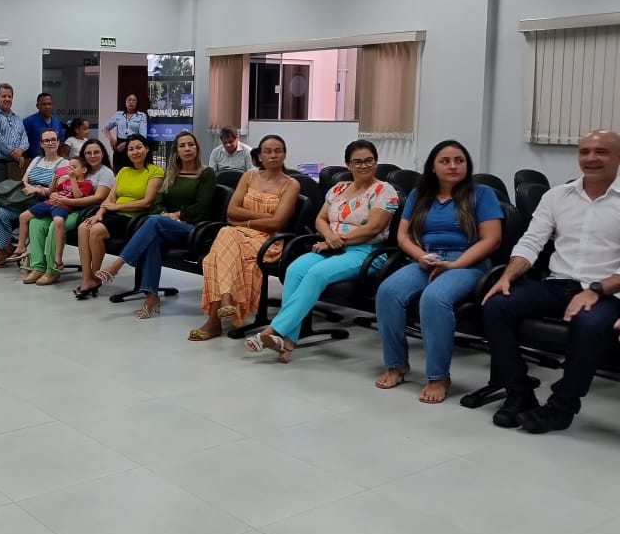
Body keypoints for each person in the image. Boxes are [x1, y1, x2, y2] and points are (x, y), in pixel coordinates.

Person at [481, 130, 620, 433]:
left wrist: (596, 290)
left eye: (601, 152)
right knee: (496, 306)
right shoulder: (557, 196)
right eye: (584, 151)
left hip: (608, 291)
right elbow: (531, 241)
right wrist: (508, 274)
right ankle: (519, 394)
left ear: (618, 156)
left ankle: (562, 407)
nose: (591, 158)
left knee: (589, 323)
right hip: (559, 283)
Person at [245, 140, 399, 362]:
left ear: (376, 162)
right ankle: (287, 342)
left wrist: (336, 241)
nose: (363, 166)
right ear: (348, 164)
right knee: (295, 269)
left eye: (369, 161)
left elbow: (372, 229)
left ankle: (274, 331)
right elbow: (320, 218)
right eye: (357, 162)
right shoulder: (338, 188)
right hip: (332, 245)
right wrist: (329, 237)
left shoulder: (385, 190)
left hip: (366, 251)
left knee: (317, 273)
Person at [374, 140, 503, 402]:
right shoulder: (419, 194)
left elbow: (492, 240)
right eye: (445, 161)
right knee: (387, 291)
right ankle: (396, 363)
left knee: (434, 298)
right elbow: (403, 236)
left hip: (467, 263)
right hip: (427, 259)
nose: (453, 166)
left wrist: (455, 265)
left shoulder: (483, 194)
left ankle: (438, 376)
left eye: (460, 160)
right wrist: (421, 256)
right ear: (433, 166)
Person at [189, 135, 300, 340]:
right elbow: (231, 211)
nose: (273, 155)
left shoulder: (291, 184)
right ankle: (225, 298)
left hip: (268, 241)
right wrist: (264, 217)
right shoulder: (248, 177)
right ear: (260, 155)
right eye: (268, 151)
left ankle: (216, 317)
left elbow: (277, 224)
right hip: (238, 235)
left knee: (217, 250)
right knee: (224, 235)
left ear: (284, 154)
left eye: (278, 151)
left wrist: (246, 221)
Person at [95, 131, 216, 318]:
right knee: (153, 236)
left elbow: (202, 207)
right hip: (166, 225)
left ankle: (117, 265)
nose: (187, 149)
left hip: (193, 229)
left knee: (154, 222)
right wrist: (164, 214)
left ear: (197, 148)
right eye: (182, 145)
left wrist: (172, 215)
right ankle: (151, 296)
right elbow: (157, 203)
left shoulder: (206, 173)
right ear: (176, 150)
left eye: (191, 144)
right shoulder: (171, 173)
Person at [74, 134, 164, 299]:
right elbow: (110, 198)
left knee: (96, 231)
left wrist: (117, 207)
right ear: (127, 153)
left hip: (134, 219)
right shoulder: (123, 171)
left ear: (147, 149)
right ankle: (87, 278)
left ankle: (95, 278)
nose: (135, 152)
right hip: (114, 214)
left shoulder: (155, 171)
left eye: (138, 147)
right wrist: (99, 213)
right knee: (83, 227)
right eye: (131, 149)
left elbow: (147, 202)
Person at [0, 129, 67, 269]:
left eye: (53, 139)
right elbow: (23, 182)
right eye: (46, 140)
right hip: (24, 200)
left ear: (59, 142)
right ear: (41, 144)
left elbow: (58, 190)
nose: (50, 143)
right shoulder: (36, 160)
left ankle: (1, 252)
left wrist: (38, 190)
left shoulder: (65, 164)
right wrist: (33, 188)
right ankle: (5, 247)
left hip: (42, 204)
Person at [23, 139, 114, 285]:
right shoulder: (79, 167)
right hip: (66, 207)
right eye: (88, 153)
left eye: (96, 152)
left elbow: (97, 198)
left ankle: (53, 270)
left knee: (55, 225)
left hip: (86, 212)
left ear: (103, 153)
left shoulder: (105, 173)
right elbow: (62, 188)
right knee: (36, 222)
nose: (92, 155)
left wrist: (66, 201)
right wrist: (53, 195)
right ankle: (38, 266)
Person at [8, 155, 92, 264]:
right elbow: (52, 192)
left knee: (58, 221)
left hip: (64, 206)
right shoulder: (65, 181)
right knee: (23, 216)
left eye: (74, 167)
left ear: (84, 170)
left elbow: (78, 196)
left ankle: (58, 257)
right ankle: (21, 246)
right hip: (49, 203)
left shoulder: (86, 184)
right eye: (69, 167)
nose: (70, 170)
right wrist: (55, 179)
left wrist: (72, 179)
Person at [0, 83, 28, 184]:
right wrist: (17, 155)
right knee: (3, 195)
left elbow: (25, 139)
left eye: (10, 96)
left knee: (16, 195)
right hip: (0, 164)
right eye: (4, 96)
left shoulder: (17, 118)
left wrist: (21, 149)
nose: (7, 99)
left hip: (16, 164)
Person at [23, 92, 65, 158]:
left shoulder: (56, 122)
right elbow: (22, 143)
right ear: (37, 106)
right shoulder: (28, 122)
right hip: (34, 162)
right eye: (44, 104)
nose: (47, 107)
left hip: (54, 161)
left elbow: (61, 143)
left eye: (49, 104)